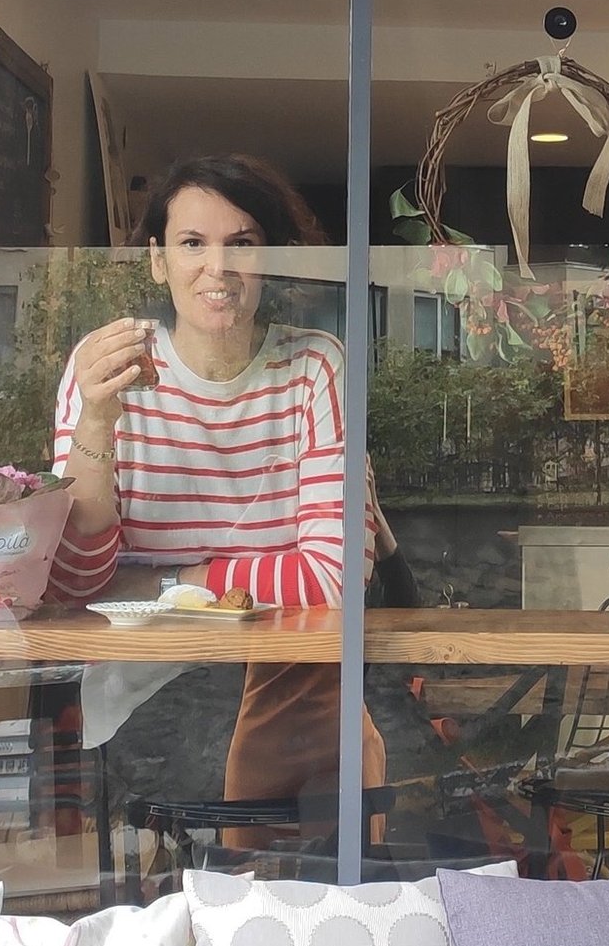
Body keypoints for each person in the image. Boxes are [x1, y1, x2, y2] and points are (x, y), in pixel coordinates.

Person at [47, 154, 390, 827]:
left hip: (292, 685)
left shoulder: (314, 366)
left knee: (322, 775)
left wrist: (170, 584)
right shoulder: (108, 368)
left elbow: (335, 576)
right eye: (192, 243)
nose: (218, 267)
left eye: (242, 244)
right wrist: (95, 421)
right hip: (149, 690)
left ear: (271, 260)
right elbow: (76, 583)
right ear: (157, 260)